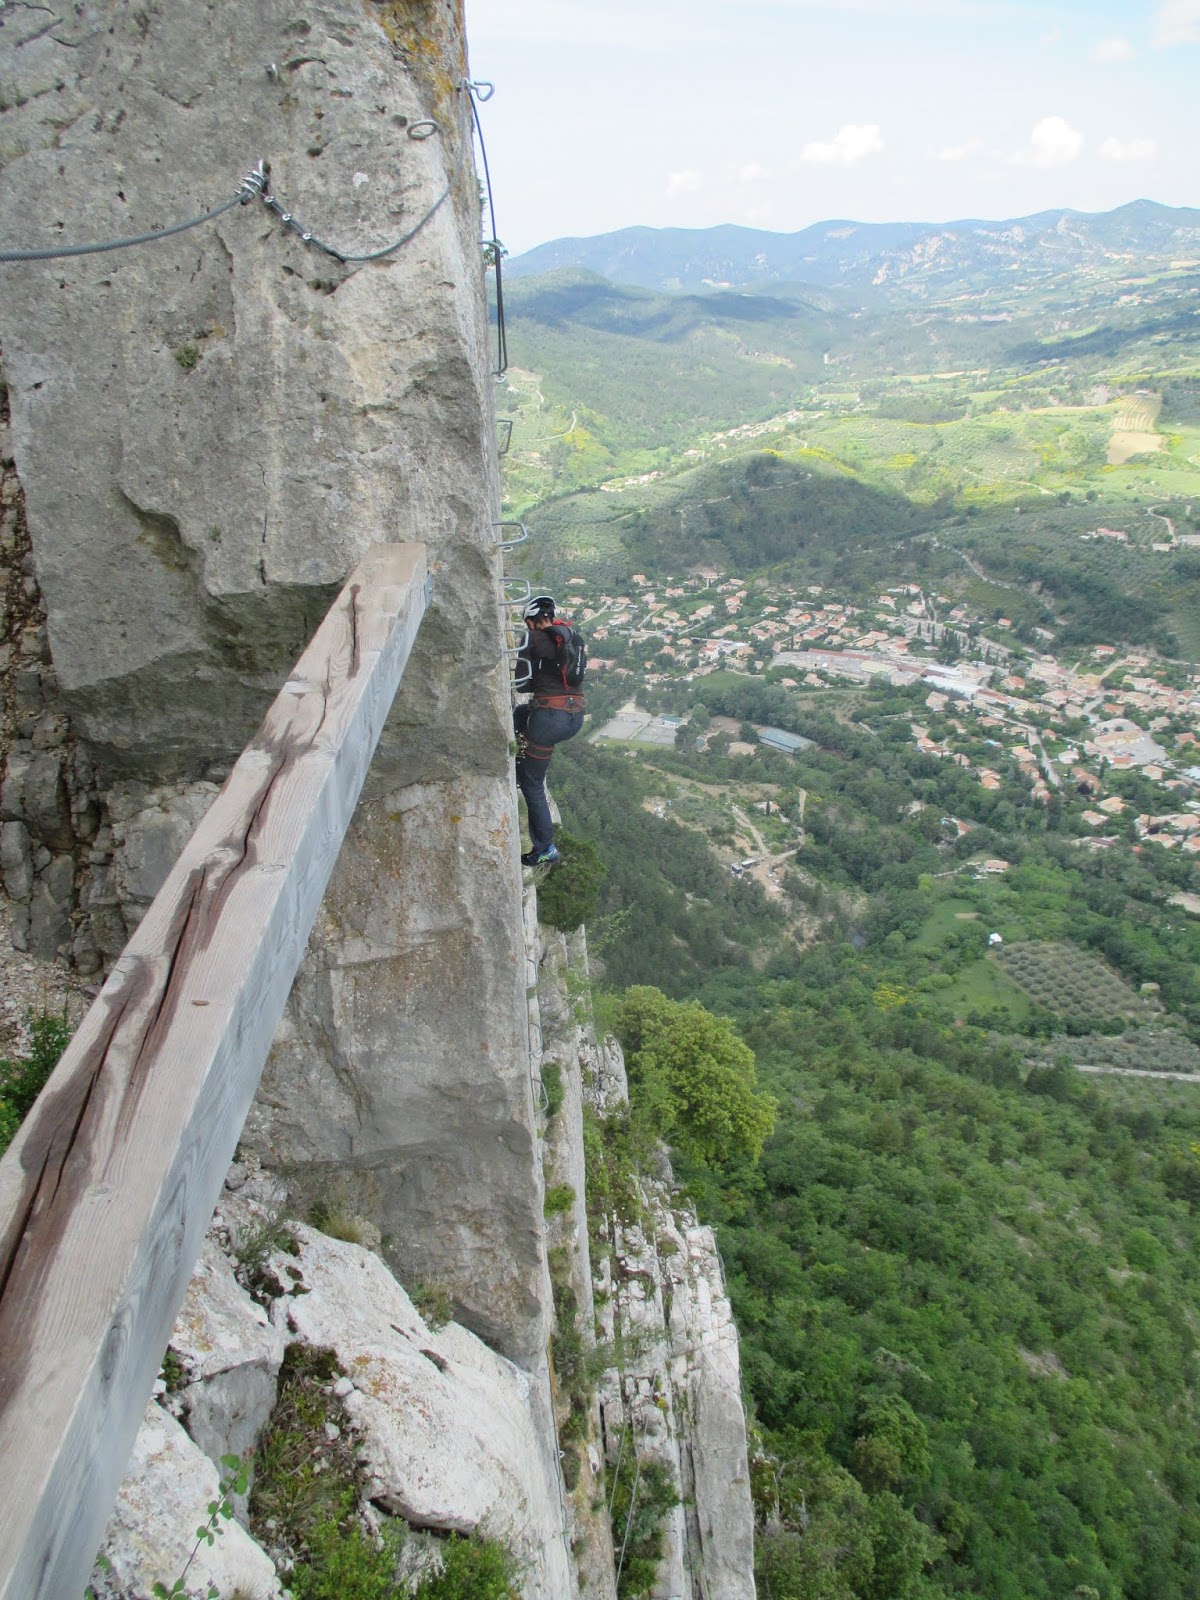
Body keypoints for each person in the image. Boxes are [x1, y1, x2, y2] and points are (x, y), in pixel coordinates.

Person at [514, 594, 585, 866]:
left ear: (531, 621)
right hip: (574, 716)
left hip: (548, 718)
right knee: (520, 714)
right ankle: (520, 757)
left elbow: (521, 683)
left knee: (532, 785)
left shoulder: (531, 639)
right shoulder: (571, 638)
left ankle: (544, 848)